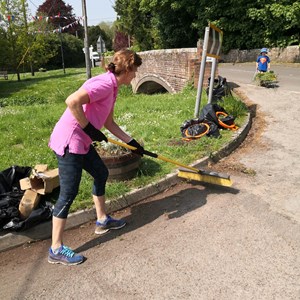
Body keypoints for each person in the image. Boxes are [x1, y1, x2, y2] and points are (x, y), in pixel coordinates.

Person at [47, 49, 144, 266]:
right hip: (70, 140)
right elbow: (72, 101)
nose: (136, 75)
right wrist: (89, 128)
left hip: (82, 141)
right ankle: (55, 248)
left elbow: (109, 123)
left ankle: (101, 220)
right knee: (69, 192)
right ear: (127, 69)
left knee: (101, 172)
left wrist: (131, 142)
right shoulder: (104, 84)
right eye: (135, 70)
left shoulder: (114, 88)